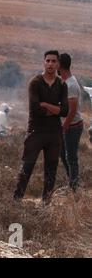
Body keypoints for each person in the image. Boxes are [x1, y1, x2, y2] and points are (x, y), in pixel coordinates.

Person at [14, 50, 68, 204]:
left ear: (58, 64)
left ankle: (46, 205)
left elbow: (65, 111)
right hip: (36, 132)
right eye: (48, 61)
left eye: (53, 61)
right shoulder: (35, 82)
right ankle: (16, 202)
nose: (50, 64)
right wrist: (55, 109)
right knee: (27, 168)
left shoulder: (62, 85)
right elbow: (35, 109)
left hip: (54, 133)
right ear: (44, 62)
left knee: (51, 172)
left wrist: (45, 105)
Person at [58, 53, 83, 192]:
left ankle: (74, 187)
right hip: (68, 125)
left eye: (56, 63)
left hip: (73, 126)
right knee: (64, 154)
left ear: (60, 66)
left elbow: (72, 111)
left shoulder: (71, 85)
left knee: (71, 157)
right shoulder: (65, 82)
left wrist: (64, 127)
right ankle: (72, 182)